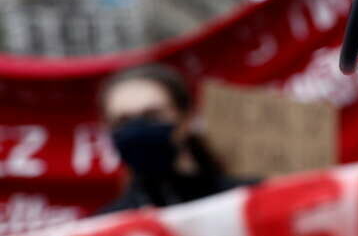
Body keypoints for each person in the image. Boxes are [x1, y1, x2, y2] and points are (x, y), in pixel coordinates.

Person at [97, 64, 252, 213]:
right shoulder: (105, 228)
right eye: (124, 121)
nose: (137, 128)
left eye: (152, 115)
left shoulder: (247, 199)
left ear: (187, 117)